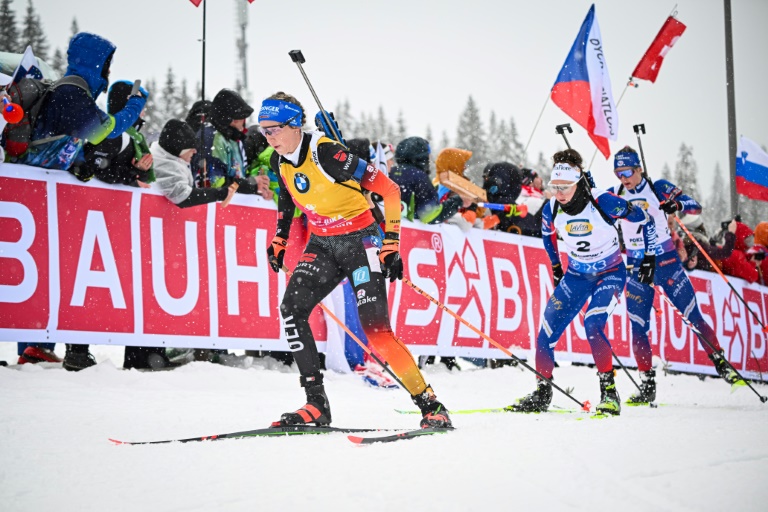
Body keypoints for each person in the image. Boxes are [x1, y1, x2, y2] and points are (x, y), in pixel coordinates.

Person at [259, 92, 451, 429]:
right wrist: (279, 237)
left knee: (376, 332)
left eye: (273, 129)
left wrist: (390, 243)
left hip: (360, 242)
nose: (268, 137)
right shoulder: (280, 160)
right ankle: (316, 405)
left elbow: (390, 191)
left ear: (294, 125)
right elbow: (287, 196)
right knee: (292, 308)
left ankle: (430, 405)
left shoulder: (326, 152)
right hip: (323, 244)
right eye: (263, 131)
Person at [511, 148, 657, 416]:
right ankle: (543, 393)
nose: (560, 193)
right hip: (577, 275)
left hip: (610, 273)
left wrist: (649, 255)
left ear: (578, 183)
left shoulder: (604, 201)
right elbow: (548, 236)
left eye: (566, 187)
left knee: (593, 323)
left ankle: (609, 393)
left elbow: (646, 219)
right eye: (556, 186)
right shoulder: (552, 208)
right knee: (546, 332)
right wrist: (556, 266)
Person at [608, 146, 745, 403]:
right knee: (638, 327)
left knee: (693, 315)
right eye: (618, 173)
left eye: (627, 171)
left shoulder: (657, 186)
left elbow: (696, 207)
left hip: (667, 262)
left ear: (638, 169)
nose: (623, 178)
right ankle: (647, 384)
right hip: (638, 266)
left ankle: (721, 362)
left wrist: (676, 203)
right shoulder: (616, 193)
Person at [18, 32, 145, 171]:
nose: (109, 70)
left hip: (41, 175)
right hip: (33, 176)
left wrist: (79, 164)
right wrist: (136, 103)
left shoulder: (74, 91)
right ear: (95, 64)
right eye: (107, 63)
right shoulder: (71, 93)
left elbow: (70, 134)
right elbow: (109, 130)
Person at [69, 80, 154, 186]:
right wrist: (131, 175)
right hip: (92, 199)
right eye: (141, 108)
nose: (143, 112)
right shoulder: (115, 135)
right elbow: (95, 169)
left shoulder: (134, 138)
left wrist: (139, 171)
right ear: (126, 104)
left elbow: (136, 177)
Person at [151, 119, 237, 208]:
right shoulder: (164, 164)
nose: (195, 151)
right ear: (178, 148)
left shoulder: (172, 158)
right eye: (190, 148)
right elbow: (182, 197)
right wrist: (219, 194)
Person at [390, 136, 464, 224]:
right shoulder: (419, 177)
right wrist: (459, 201)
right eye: (428, 155)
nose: (429, 159)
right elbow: (430, 215)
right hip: (405, 233)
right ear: (422, 157)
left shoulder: (389, 172)